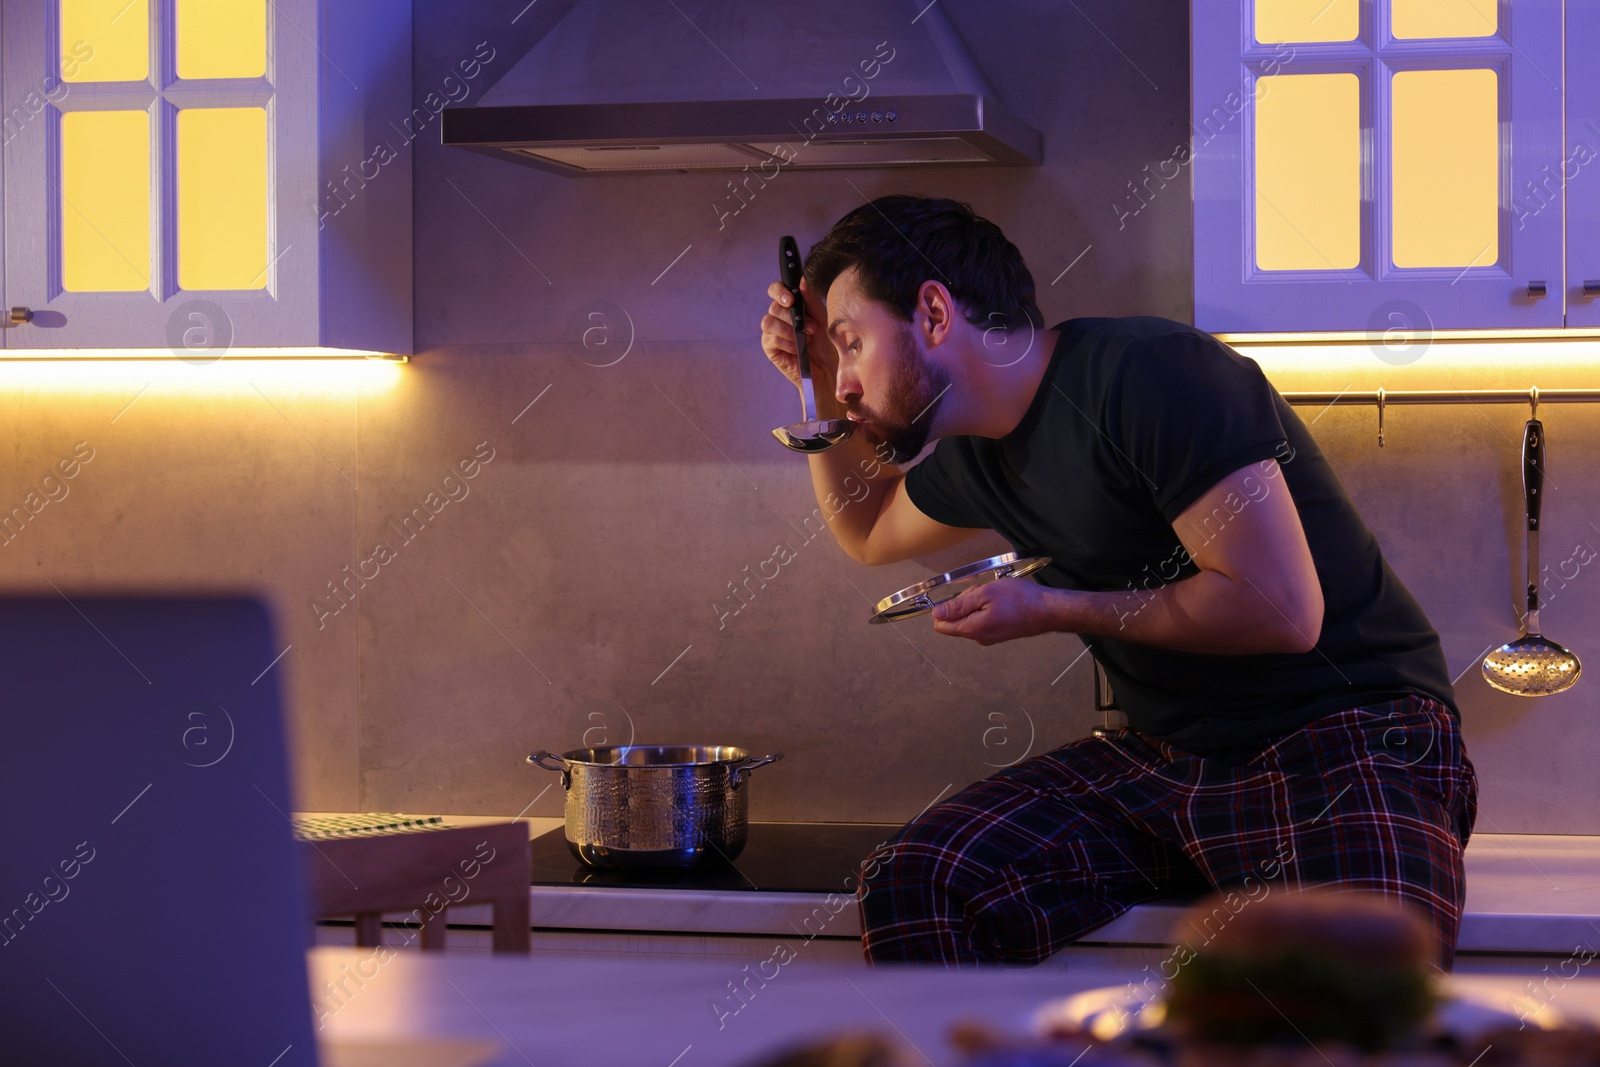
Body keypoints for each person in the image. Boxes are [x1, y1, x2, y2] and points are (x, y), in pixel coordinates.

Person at [757, 195, 1478, 968]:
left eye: (853, 343)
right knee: (923, 880)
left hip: (1346, 740)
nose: (851, 380)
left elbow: (1280, 609)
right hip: (1166, 760)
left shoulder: (1149, 374)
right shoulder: (977, 454)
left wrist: (1049, 607)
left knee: (1356, 985)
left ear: (934, 312)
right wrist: (817, 383)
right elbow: (867, 529)